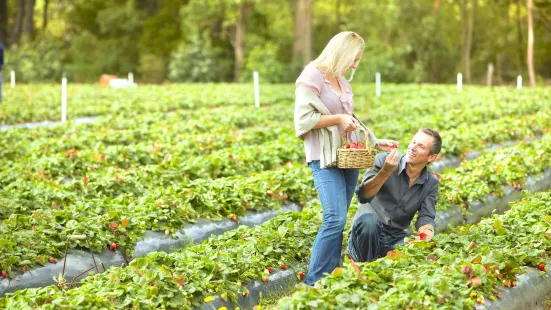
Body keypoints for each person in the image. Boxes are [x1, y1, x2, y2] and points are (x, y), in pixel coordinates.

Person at [294, 31, 398, 286]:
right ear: (341, 53)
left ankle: (331, 275)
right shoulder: (312, 75)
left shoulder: (342, 83)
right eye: (353, 59)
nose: (355, 65)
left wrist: (375, 141)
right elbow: (303, 121)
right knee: (334, 218)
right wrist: (338, 119)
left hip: (346, 157)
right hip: (323, 156)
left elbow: (351, 119)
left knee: (339, 218)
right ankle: (313, 282)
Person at [347, 128, 442, 263]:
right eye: (413, 142)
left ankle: (383, 268)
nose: (413, 148)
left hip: (394, 239)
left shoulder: (430, 183)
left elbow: (426, 216)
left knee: (416, 252)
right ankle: (366, 267)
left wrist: (426, 233)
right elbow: (363, 195)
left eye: (421, 146)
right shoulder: (383, 161)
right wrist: (386, 172)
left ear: (431, 157)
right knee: (369, 222)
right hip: (365, 237)